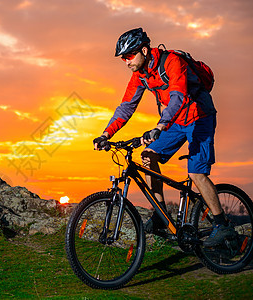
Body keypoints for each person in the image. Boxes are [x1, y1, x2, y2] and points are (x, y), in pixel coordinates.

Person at [93, 28, 235, 247]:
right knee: (149, 155)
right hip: (176, 122)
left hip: (200, 117)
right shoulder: (140, 75)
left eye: (129, 56)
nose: (126, 62)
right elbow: (126, 107)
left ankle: (222, 225)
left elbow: (178, 97)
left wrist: (159, 126)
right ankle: (160, 215)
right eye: (123, 58)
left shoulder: (172, 62)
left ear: (143, 50)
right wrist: (105, 134)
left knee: (196, 173)